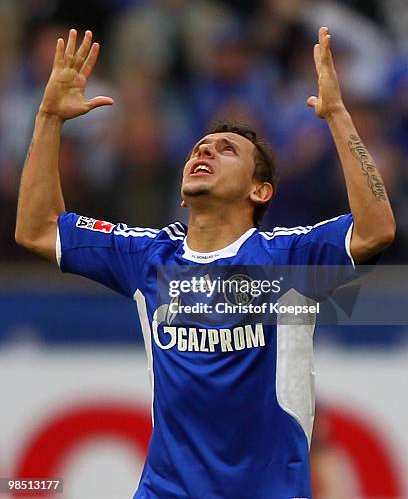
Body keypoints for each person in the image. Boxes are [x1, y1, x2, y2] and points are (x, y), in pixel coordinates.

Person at [15, 27, 395, 498]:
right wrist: (50, 117)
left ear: (260, 191)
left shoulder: (286, 259)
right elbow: (38, 229)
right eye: (200, 147)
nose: (205, 151)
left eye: (226, 149)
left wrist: (338, 116)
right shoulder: (149, 255)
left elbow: (376, 228)